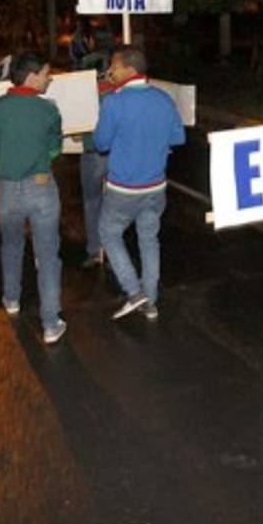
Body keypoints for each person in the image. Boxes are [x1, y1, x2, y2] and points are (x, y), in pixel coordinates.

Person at [0, 51, 67, 344]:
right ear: (31, 76)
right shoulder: (48, 110)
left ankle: (11, 298)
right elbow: (55, 147)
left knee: (12, 244)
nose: (50, 77)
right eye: (46, 73)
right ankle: (51, 323)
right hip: (41, 187)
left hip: (6, 189)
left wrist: (6, 174)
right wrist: (38, 163)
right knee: (47, 254)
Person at [94, 45, 185, 321]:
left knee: (109, 233)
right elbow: (178, 139)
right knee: (149, 240)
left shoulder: (114, 101)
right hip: (156, 187)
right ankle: (151, 302)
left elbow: (100, 143)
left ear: (129, 70)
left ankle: (134, 292)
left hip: (123, 188)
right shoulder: (164, 99)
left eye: (115, 66)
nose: (110, 71)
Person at [79, 48, 117, 269]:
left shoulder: (84, 95)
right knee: (114, 205)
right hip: (115, 154)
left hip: (92, 153)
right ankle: (113, 251)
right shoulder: (118, 92)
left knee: (92, 202)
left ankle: (95, 250)